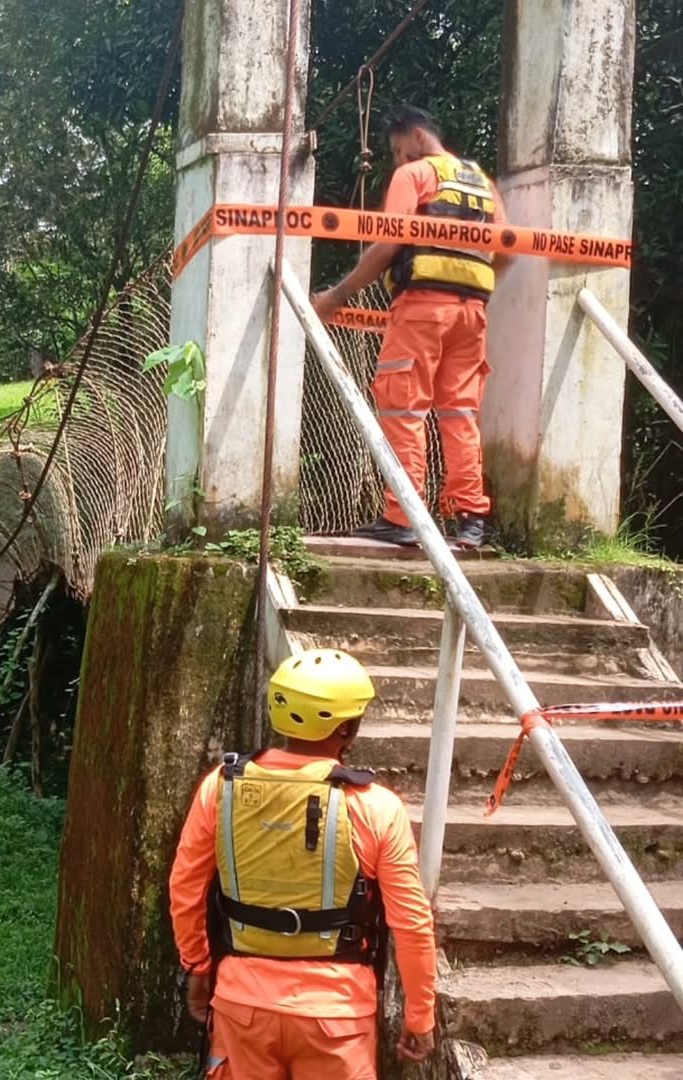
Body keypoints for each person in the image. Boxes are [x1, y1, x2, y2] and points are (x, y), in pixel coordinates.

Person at [169, 649, 436, 1079]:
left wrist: (197, 966)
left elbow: (185, 886)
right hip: (337, 1016)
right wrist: (420, 1015)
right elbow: (411, 923)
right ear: (346, 727)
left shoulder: (221, 788)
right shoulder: (377, 806)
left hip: (242, 1005)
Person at [312, 104, 513, 549]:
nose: (397, 160)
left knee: (403, 406)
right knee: (460, 412)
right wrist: (471, 281)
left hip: (422, 307)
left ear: (418, 137)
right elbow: (508, 248)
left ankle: (404, 516)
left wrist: (335, 297)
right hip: (472, 313)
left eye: (398, 150)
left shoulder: (415, 174)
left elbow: (389, 244)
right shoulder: (481, 182)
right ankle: (471, 519)